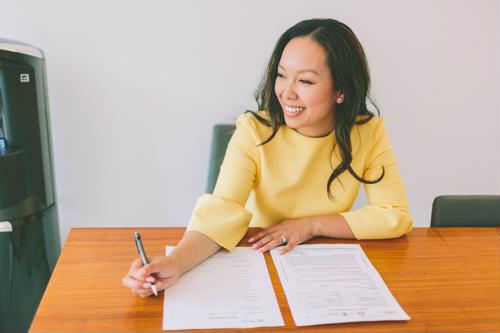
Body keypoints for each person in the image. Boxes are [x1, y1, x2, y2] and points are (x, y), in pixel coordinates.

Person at [122, 18, 412, 297]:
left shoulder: (368, 134)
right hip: (258, 259)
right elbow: (220, 214)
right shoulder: (253, 131)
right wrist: (172, 265)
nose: (286, 92)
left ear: (340, 91)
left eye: (306, 81)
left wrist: (311, 225)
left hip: (322, 270)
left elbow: (395, 215)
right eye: (282, 75)